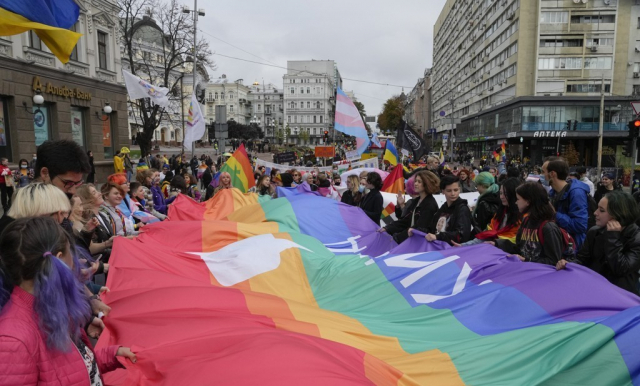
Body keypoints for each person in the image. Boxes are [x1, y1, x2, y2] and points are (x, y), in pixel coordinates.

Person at [0, 217, 136, 385]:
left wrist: (110, 356)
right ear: (59, 258)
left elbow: (68, 370)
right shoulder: (12, 341)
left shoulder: (53, 306)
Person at [557, 191, 640, 295]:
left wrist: (613, 237)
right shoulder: (595, 232)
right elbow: (582, 260)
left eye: (601, 210)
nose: (595, 212)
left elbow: (621, 268)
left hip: (621, 296)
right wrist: (568, 264)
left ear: (618, 215)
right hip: (594, 290)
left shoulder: (635, 238)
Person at [495, 182, 563, 265]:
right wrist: (497, 243)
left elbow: (554, 261)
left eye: (518, 199)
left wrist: (526, 260)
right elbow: (520, 249)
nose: (516, 202)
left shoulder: (549, 228)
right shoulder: (526, 221)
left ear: (528, 201)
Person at [454, 177, 521, 246]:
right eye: (501, 193)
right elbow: (487, 235)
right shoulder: (500, 213)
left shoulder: (523, 218)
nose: (501, 197)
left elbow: (518, 246)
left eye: (505, 194)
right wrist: (464, 245)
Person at [380, 170, 440, 244]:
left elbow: (418, 229)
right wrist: (387, 228)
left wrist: (398, 238)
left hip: (419, 244)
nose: (415, 184)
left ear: (427, 184)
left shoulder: (430, 205)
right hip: (411, 241)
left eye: (419, 182)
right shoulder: (416, 201)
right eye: (416, 181)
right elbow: (405, 221)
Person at [542, 157, 589, 248]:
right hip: (559, 243)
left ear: (552, 174)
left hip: (573, 247)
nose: (542, 175)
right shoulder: (552, 193)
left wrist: (555, 214)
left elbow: (580, 226)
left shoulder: (576, 193)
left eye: (543, 172)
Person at [425, 175, 473, 245]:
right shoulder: (443, 207)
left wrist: (438, 236)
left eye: (456, 190)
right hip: (437, 246)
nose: (453, 194)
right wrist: (416, 230)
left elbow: (461, 235)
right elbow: (431, 228)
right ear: (443, 191)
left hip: (452, 250)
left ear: (459, 189)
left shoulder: (462, 209)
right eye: (449, 191)